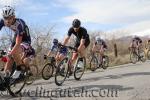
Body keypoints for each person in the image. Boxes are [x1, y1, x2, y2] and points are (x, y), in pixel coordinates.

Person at [0, 6, 35, 79]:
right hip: (17, 35)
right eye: (5, 18)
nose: (7, 21)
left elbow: (18, 43)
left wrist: (11, 53)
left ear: (14, 16)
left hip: (25, 40)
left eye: (9, 18)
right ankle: (5, 79)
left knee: (13, 52)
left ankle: (19, 68)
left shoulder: (19, 24)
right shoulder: (2, 21)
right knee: (9, 59)